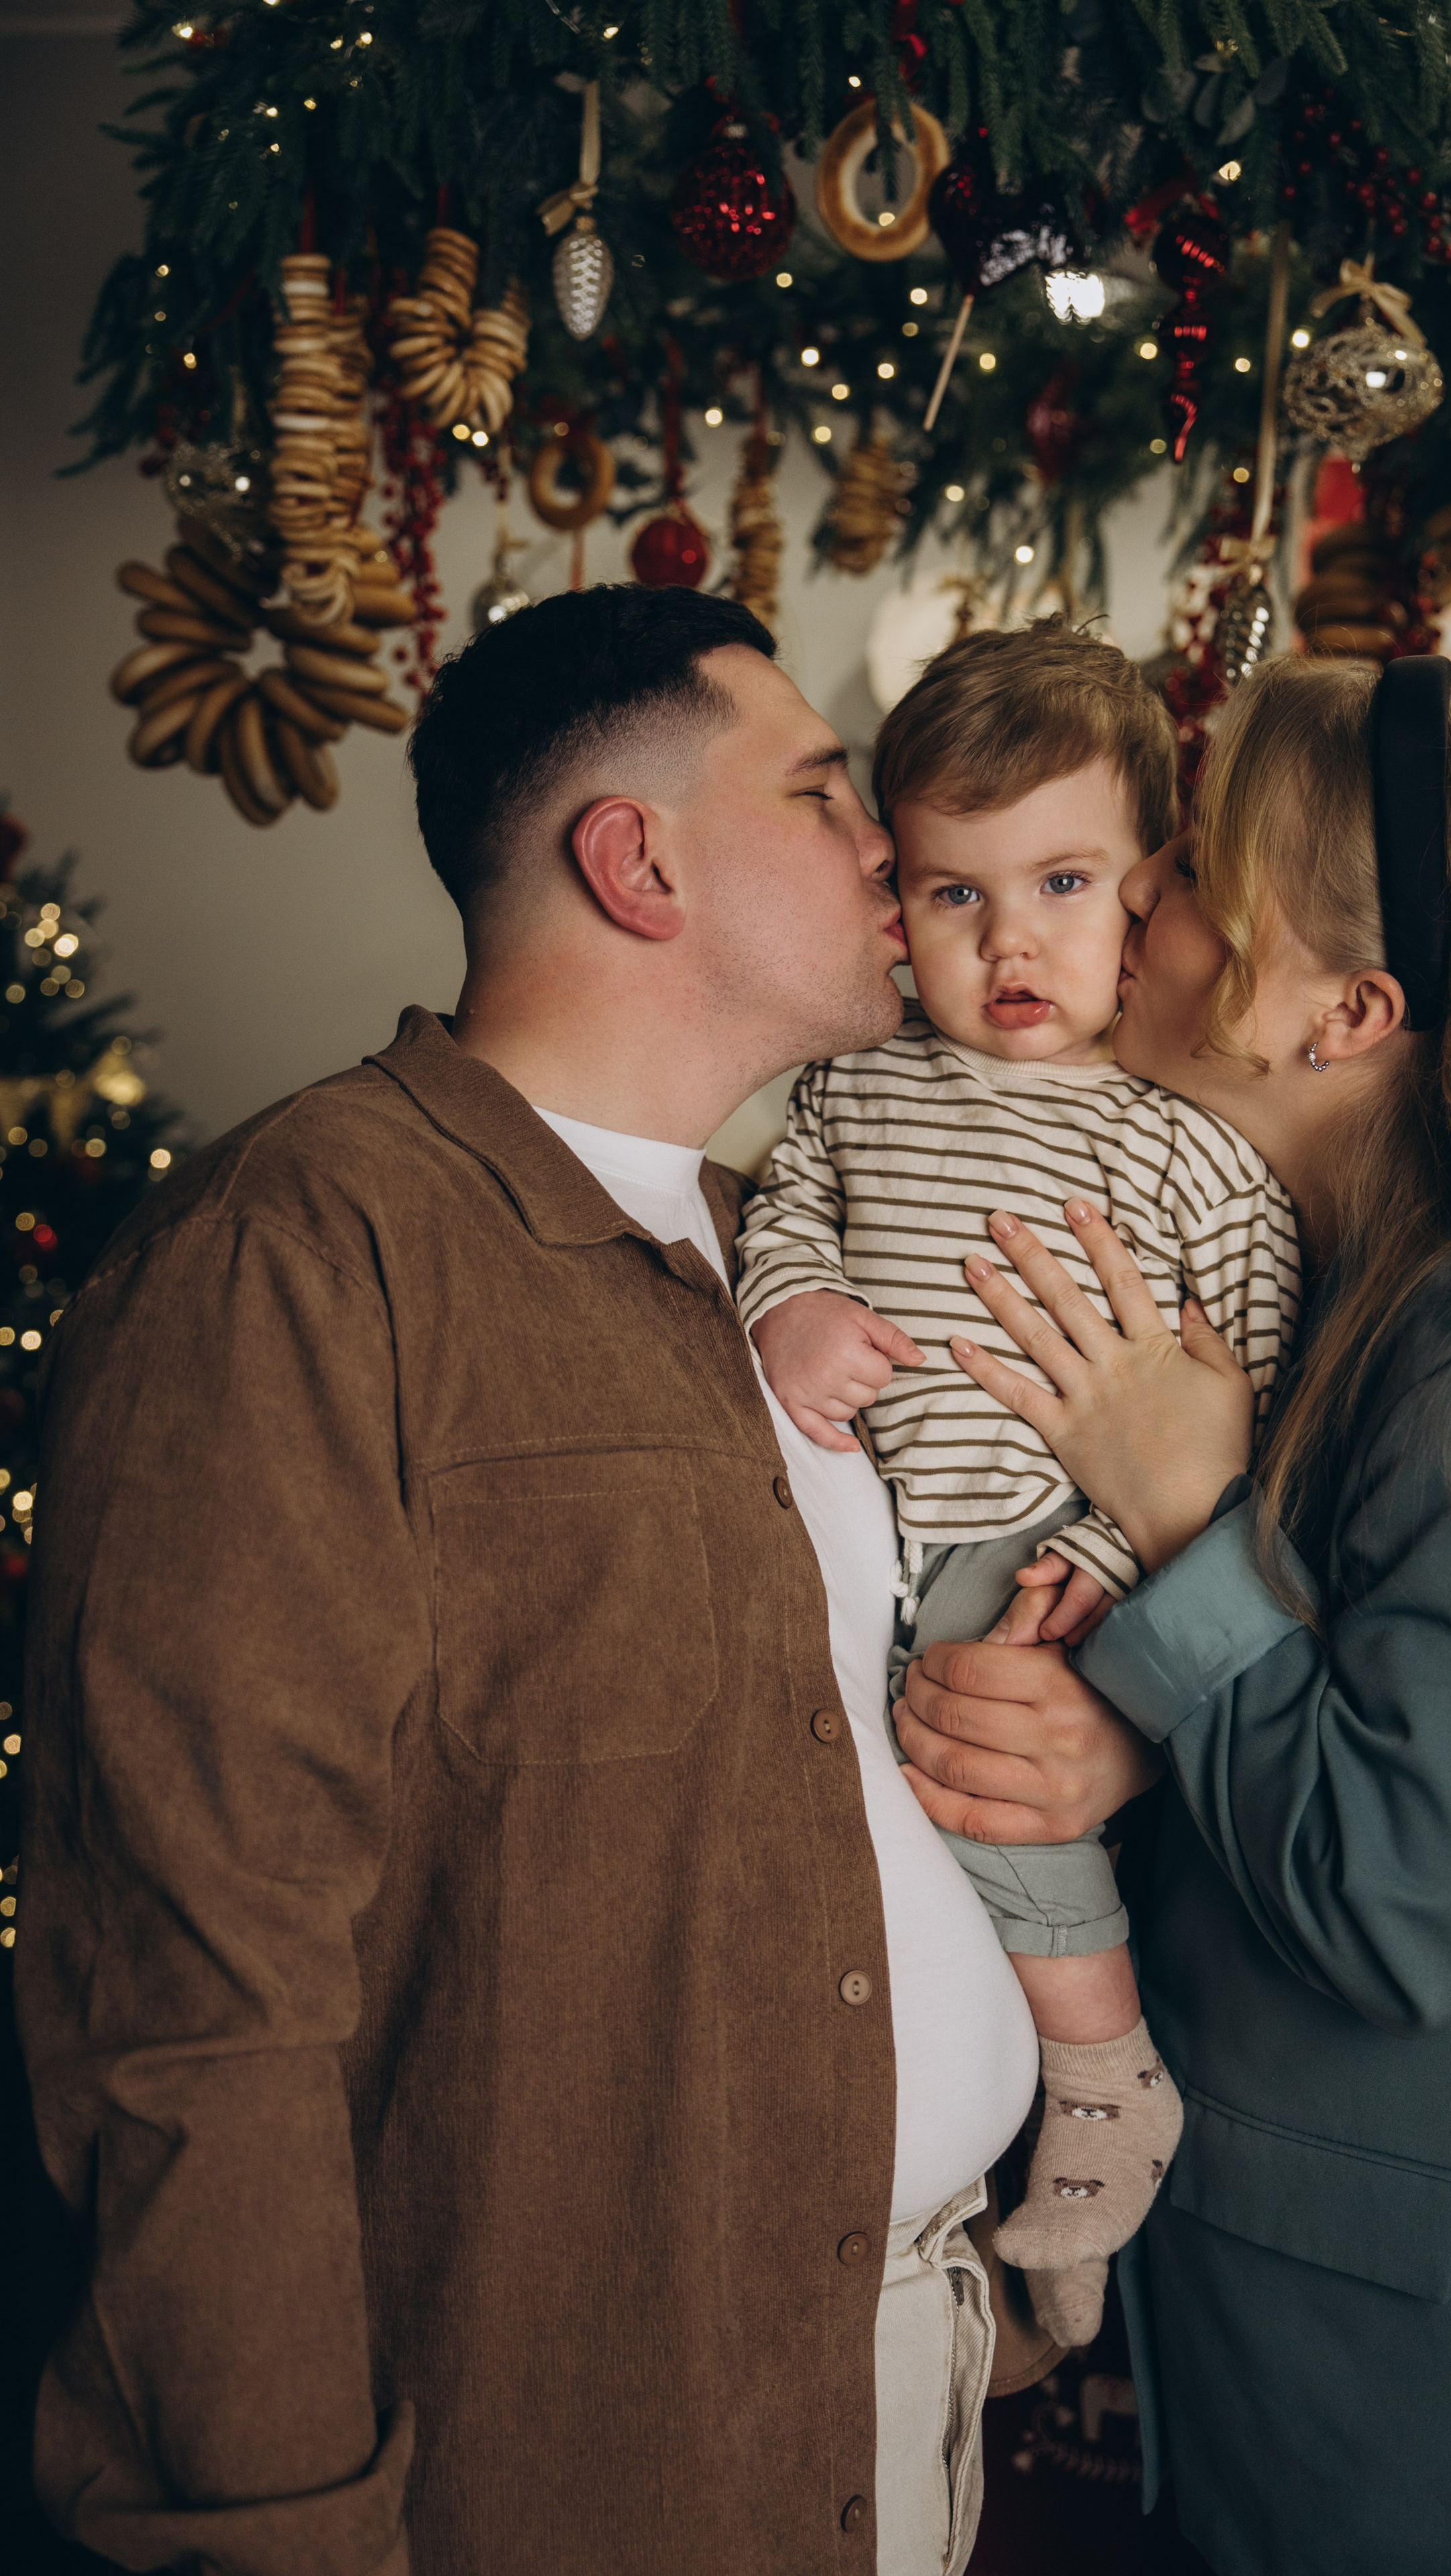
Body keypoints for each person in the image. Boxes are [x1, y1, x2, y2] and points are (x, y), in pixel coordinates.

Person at [16, 586, 1046, 2576]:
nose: (884, 850)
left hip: (900, 2364)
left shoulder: (782, 1254)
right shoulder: (300, 1254)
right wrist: (279, 2540)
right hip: (584, 2448)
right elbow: (192, 2010)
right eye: (827, 790)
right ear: (636, 858)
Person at [893, 655, 1451, 2575]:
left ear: (1347, 1010)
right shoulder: (1347, 1301)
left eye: (1193, 875)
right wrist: (1126, 1738)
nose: (1141, 902)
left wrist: (1183, 1512)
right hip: (1314, 2361)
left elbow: (1419, 1900)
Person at [737, 621, 1299, 2337]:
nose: (1008, 943)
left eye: (1060, 884)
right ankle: (972, 2192)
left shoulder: (1179, 1138)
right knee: (886, 1853)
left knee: (993, 1769)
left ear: (1143, 895)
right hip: (879, 1539)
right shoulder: (848, 1090)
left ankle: (1104, 2077)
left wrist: (1130, 1563)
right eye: (951, 895)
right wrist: (793, 1308)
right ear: (892, 902)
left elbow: (1247, 1383)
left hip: (1047, 1542)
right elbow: (781, 1217)